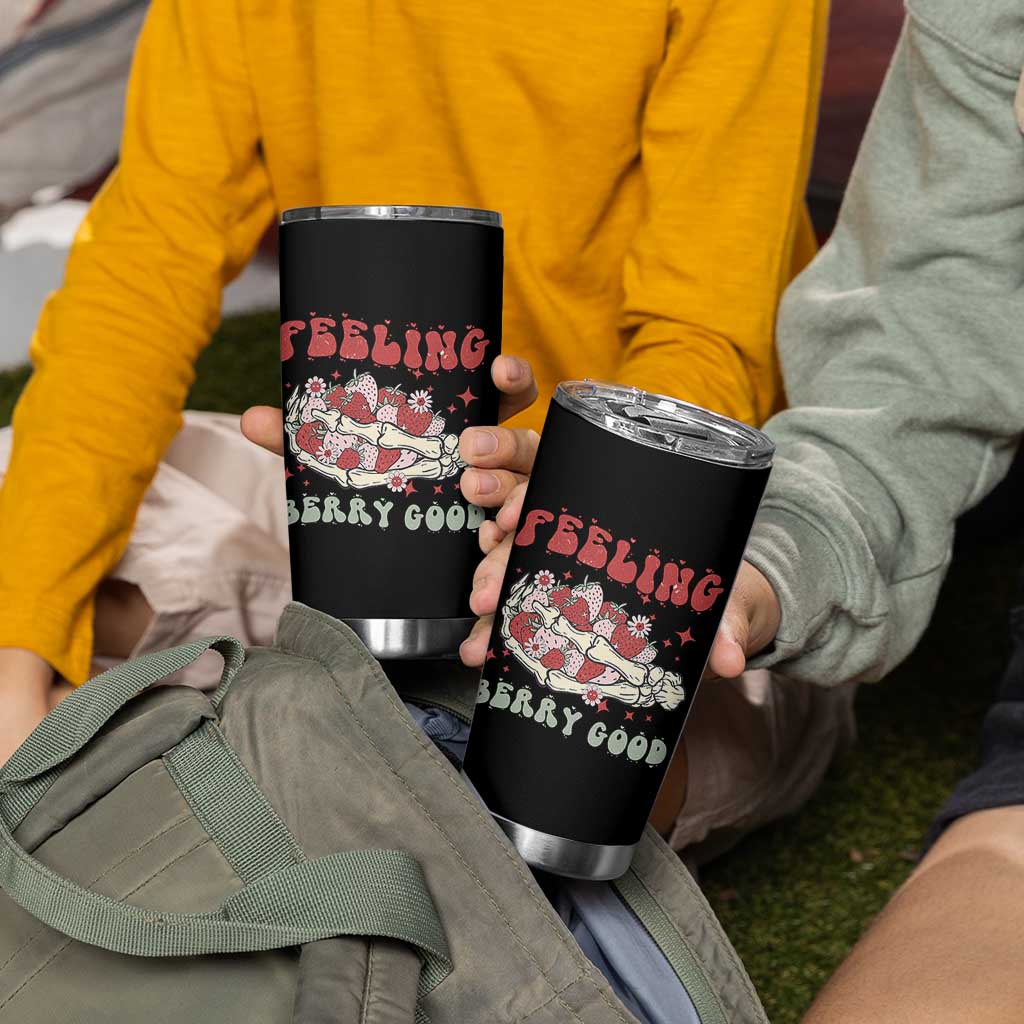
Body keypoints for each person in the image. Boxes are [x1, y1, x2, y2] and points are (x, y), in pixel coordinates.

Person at [0, 0, 828, 768]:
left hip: (633, 543)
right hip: (360, 519)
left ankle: (302, 752)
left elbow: (706, 347)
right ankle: (265, 736)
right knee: (25, 506)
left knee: (580, 744)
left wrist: (566, 540)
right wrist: (17, 651)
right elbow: (142, 275)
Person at [458, 0, 1024, 852]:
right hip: (587, 502)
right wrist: (753, 560)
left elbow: (708, 332)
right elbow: (918, 351)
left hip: (663, 460)